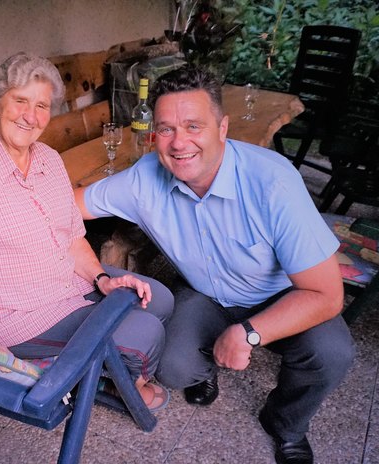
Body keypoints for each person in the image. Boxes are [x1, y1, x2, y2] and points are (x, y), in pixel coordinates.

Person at [74, 64, 355, 463]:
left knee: (331, 351)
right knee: (171, 369)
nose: (178, 142)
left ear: (222, 128)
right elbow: (68, 204)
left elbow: (327, 295)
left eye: (193, 126)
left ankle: (286, 422)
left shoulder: (273, 182)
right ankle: (206, 370)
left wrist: (249, 333)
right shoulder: (144, 178)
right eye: (166, 129)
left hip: (283, 295)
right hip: (207, 296)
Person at [0, 52, 173, 411]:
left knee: (159, 298)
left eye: (42, 105)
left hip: (67, 286)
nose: (31, 117)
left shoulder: (49, 159)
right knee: (145, 332)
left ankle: (110, 371)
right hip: (17, 317)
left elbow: (71, 237)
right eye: (20, 101)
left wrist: (101, 279)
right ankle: (125, 381)